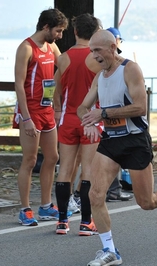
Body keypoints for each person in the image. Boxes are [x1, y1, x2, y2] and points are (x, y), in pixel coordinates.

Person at [77, 30, 157, 266]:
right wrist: (88, 122)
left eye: (97, 50)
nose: (93, 56)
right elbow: (83, 107)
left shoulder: (130, 69)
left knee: (147, 202)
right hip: (111, 141)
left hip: (135, 140)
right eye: (91, 51)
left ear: (112, 48)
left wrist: (102, 113)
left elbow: (140, 107)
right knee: (95, 194)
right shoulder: (99, 76)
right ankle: (110, 251)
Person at [13, 8, 69, 226]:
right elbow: (18, 84)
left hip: (47, 110)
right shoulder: (26, 48)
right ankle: (25, 209)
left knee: (53, 157)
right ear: (46, 27)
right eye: (58, 31)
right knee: (30, 160)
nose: (60, 36)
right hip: (30, 110)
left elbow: (65, 65)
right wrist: (25, 118)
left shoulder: (51, 46)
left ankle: (46, 205)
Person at [53, 13, 102, 235]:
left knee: (64, 169)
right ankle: (86, 221)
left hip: (68, 118)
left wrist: (57, 111)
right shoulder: (97, 59)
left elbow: (56, 91)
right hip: (90, 119)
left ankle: (62, 221)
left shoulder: (62, 57)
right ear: (95, 34)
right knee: (88, 170)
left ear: (75, 32)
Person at [104, 26, 133, 202]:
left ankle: (114, 189)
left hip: (107, 115)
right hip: (108, 116)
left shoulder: (123, 66)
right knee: (113, 153)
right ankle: (113, 189)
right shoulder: (111, 65)